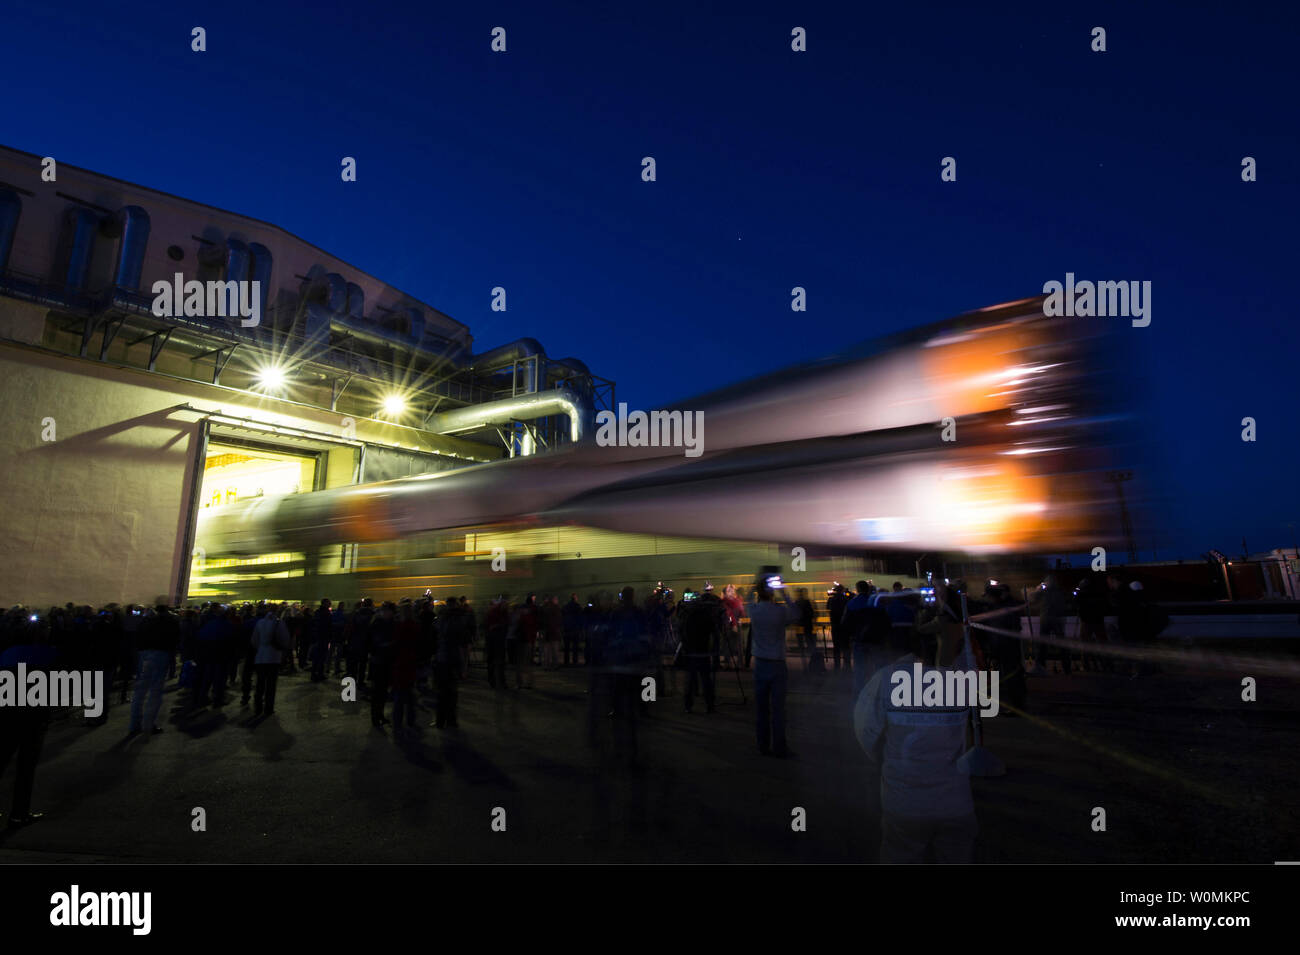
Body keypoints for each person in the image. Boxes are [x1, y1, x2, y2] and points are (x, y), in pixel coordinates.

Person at [855, 583, 977, 863]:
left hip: (905, 803)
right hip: (956, 804)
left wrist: (887, 763)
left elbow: (866, 735)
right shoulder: (962, 682)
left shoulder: (884, 680)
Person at [0, 614, 57, 828]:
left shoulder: (7, 653)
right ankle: (18, 814)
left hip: (7, 714)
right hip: (34, 717)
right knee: (26, 768)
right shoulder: (50, 654)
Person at [748, 578, 799, 757]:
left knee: (761, 709)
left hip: (760, 664)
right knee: (778, 710)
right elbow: (796, 614)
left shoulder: (753, 611)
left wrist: (754, 586)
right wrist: (784, 592)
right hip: (777, 663)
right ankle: (779, 746)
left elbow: (748, 600)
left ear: (758, 592)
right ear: (772, 593)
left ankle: (762, 744)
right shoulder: (780, 611)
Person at [128, 604, 179, 735]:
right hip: (161, 654)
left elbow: (137, 637)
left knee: (139, 691)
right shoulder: (170, 622)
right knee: (155, 692)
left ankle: (134, 725)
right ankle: (148, 725)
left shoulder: (146, 621)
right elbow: (175, 639)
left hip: (144, 654)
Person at [677, 586, 723, 713]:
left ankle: (688, 706)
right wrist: (715, 653)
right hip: (703, 653)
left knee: (690, 681)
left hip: (691, 653)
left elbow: (681, 631)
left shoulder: (687, 615)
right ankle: (709, 705)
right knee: (706, 680)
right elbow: (714, 633)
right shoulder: (706, 615)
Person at [250, 605, 291, 717]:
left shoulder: (260, 623)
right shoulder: (279, 623)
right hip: (274, 657)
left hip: (261, 657)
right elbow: (285, 640)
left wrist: (261, 648)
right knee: (271, 685)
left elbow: (254, 640)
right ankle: (269, 708)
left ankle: (257, 707)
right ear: (277, 611)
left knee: (260, 683)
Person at [390, 601, 421, 736]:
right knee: (409, 695)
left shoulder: (399, 627)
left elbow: (395, 645)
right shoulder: (414, 626)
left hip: (400, 664)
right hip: (411, 664)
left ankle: (397, 723)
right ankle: (410, 720)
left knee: (399, 697)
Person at [1033, 575, 1069, 675]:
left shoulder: (1044, 592)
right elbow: (1065, 604)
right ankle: (1067, 668)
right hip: (1058, 620)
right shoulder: (1060, 591)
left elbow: (1033, 598)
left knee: (1042, 645)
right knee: (1062, 645)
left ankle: (1041, 668)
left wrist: (1038, 588)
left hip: (1046, 620)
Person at [508, 595, 539, 689]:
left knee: (519, 663)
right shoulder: (531, 616)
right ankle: (530, 683)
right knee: (528, 663)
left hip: (521, 641)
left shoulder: (521, 618)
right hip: (529, 641)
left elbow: (516, 628)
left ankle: (519, 683)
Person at [484, 595, 510, 690]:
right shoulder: (497, 612)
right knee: (497, 662)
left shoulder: (496, 611)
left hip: (495, 640)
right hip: (496, 640)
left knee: (495, 662)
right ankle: (497, 682)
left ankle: (495, 681)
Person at [826, 584, 850, 672]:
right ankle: (847, 666)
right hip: (844, 626)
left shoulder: (832, 599)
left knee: (836, 647)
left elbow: (828, 607)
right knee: (846, 647)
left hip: (835, 625)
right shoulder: (845, 599)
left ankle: (837, 666)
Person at [562, 593, 584, 667]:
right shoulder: (578, 607)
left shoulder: (566, 607)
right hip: (575, 629)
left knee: (567, 647)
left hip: (567, 629)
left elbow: (563, 617)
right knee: (575, 647)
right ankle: (575, 661)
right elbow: (581, 618)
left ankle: (566, 661)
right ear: (576, 598)